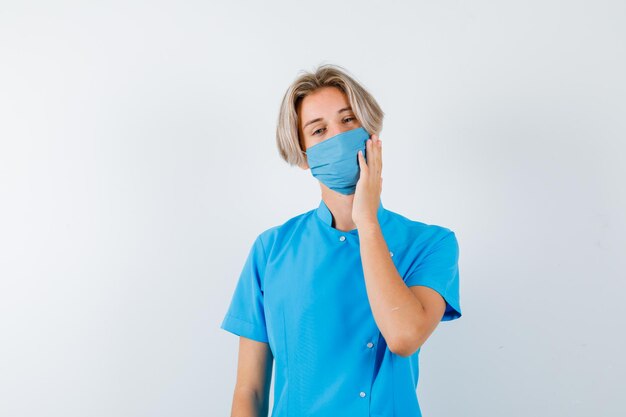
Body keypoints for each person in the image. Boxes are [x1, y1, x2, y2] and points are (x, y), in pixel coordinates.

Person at [220, 63, 462, 417]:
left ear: (370, 131)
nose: (337, 137)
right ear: (304, 156)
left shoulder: (431, 244)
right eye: (318, 130)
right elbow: (249, 389)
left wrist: (366, 221)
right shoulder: (271, 250)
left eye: (348, 121)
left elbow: (404, 336)